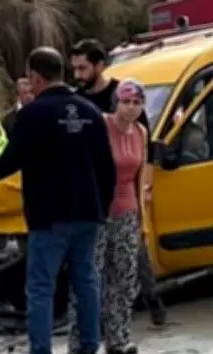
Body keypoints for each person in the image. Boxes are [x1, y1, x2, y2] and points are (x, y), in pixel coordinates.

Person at [0, 47, 116, 354]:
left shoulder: (33, 115)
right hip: (87, 213)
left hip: (50, 216)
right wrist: (101, 207)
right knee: (86, 282)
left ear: (35, 77)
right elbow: (107, 168)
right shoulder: (91, 112)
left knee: (41, 288)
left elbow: (7, 164)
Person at [70, 38, 168, 326]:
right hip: (94, 194)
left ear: (100, 66)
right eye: (74, 68)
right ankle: (94, 320)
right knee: (94, 261)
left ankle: (152, 301)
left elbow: (145, 143)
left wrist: (144, 187)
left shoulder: (123, 95)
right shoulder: (79, 101)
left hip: (125, 190)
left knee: (134, 254)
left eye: (83, 68)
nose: (78, 75)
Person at [66, 79, 148, 354]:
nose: (131, 107)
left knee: (124, 276)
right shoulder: (101, 125)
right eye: (126, 101)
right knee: (90, 276)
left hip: (127, 211)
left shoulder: (140, 132)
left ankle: (119, 336)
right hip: (98, 212)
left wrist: (142, 222)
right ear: (116, 102)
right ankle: (79, 341)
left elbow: (141, 178)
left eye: (137, 103)